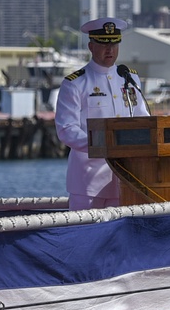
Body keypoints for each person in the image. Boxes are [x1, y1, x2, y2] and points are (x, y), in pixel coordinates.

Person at [56, 17, 150, 209]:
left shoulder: (129, 78)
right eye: (104, 44)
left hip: (126, 177)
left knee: (120, 237)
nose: (110, 50)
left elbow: (143, 118)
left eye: (114, 44)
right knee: (85, 236)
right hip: (88, 181)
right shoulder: (75, 83)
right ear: (91, 46)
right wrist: (102, 145)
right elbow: (67, 129)